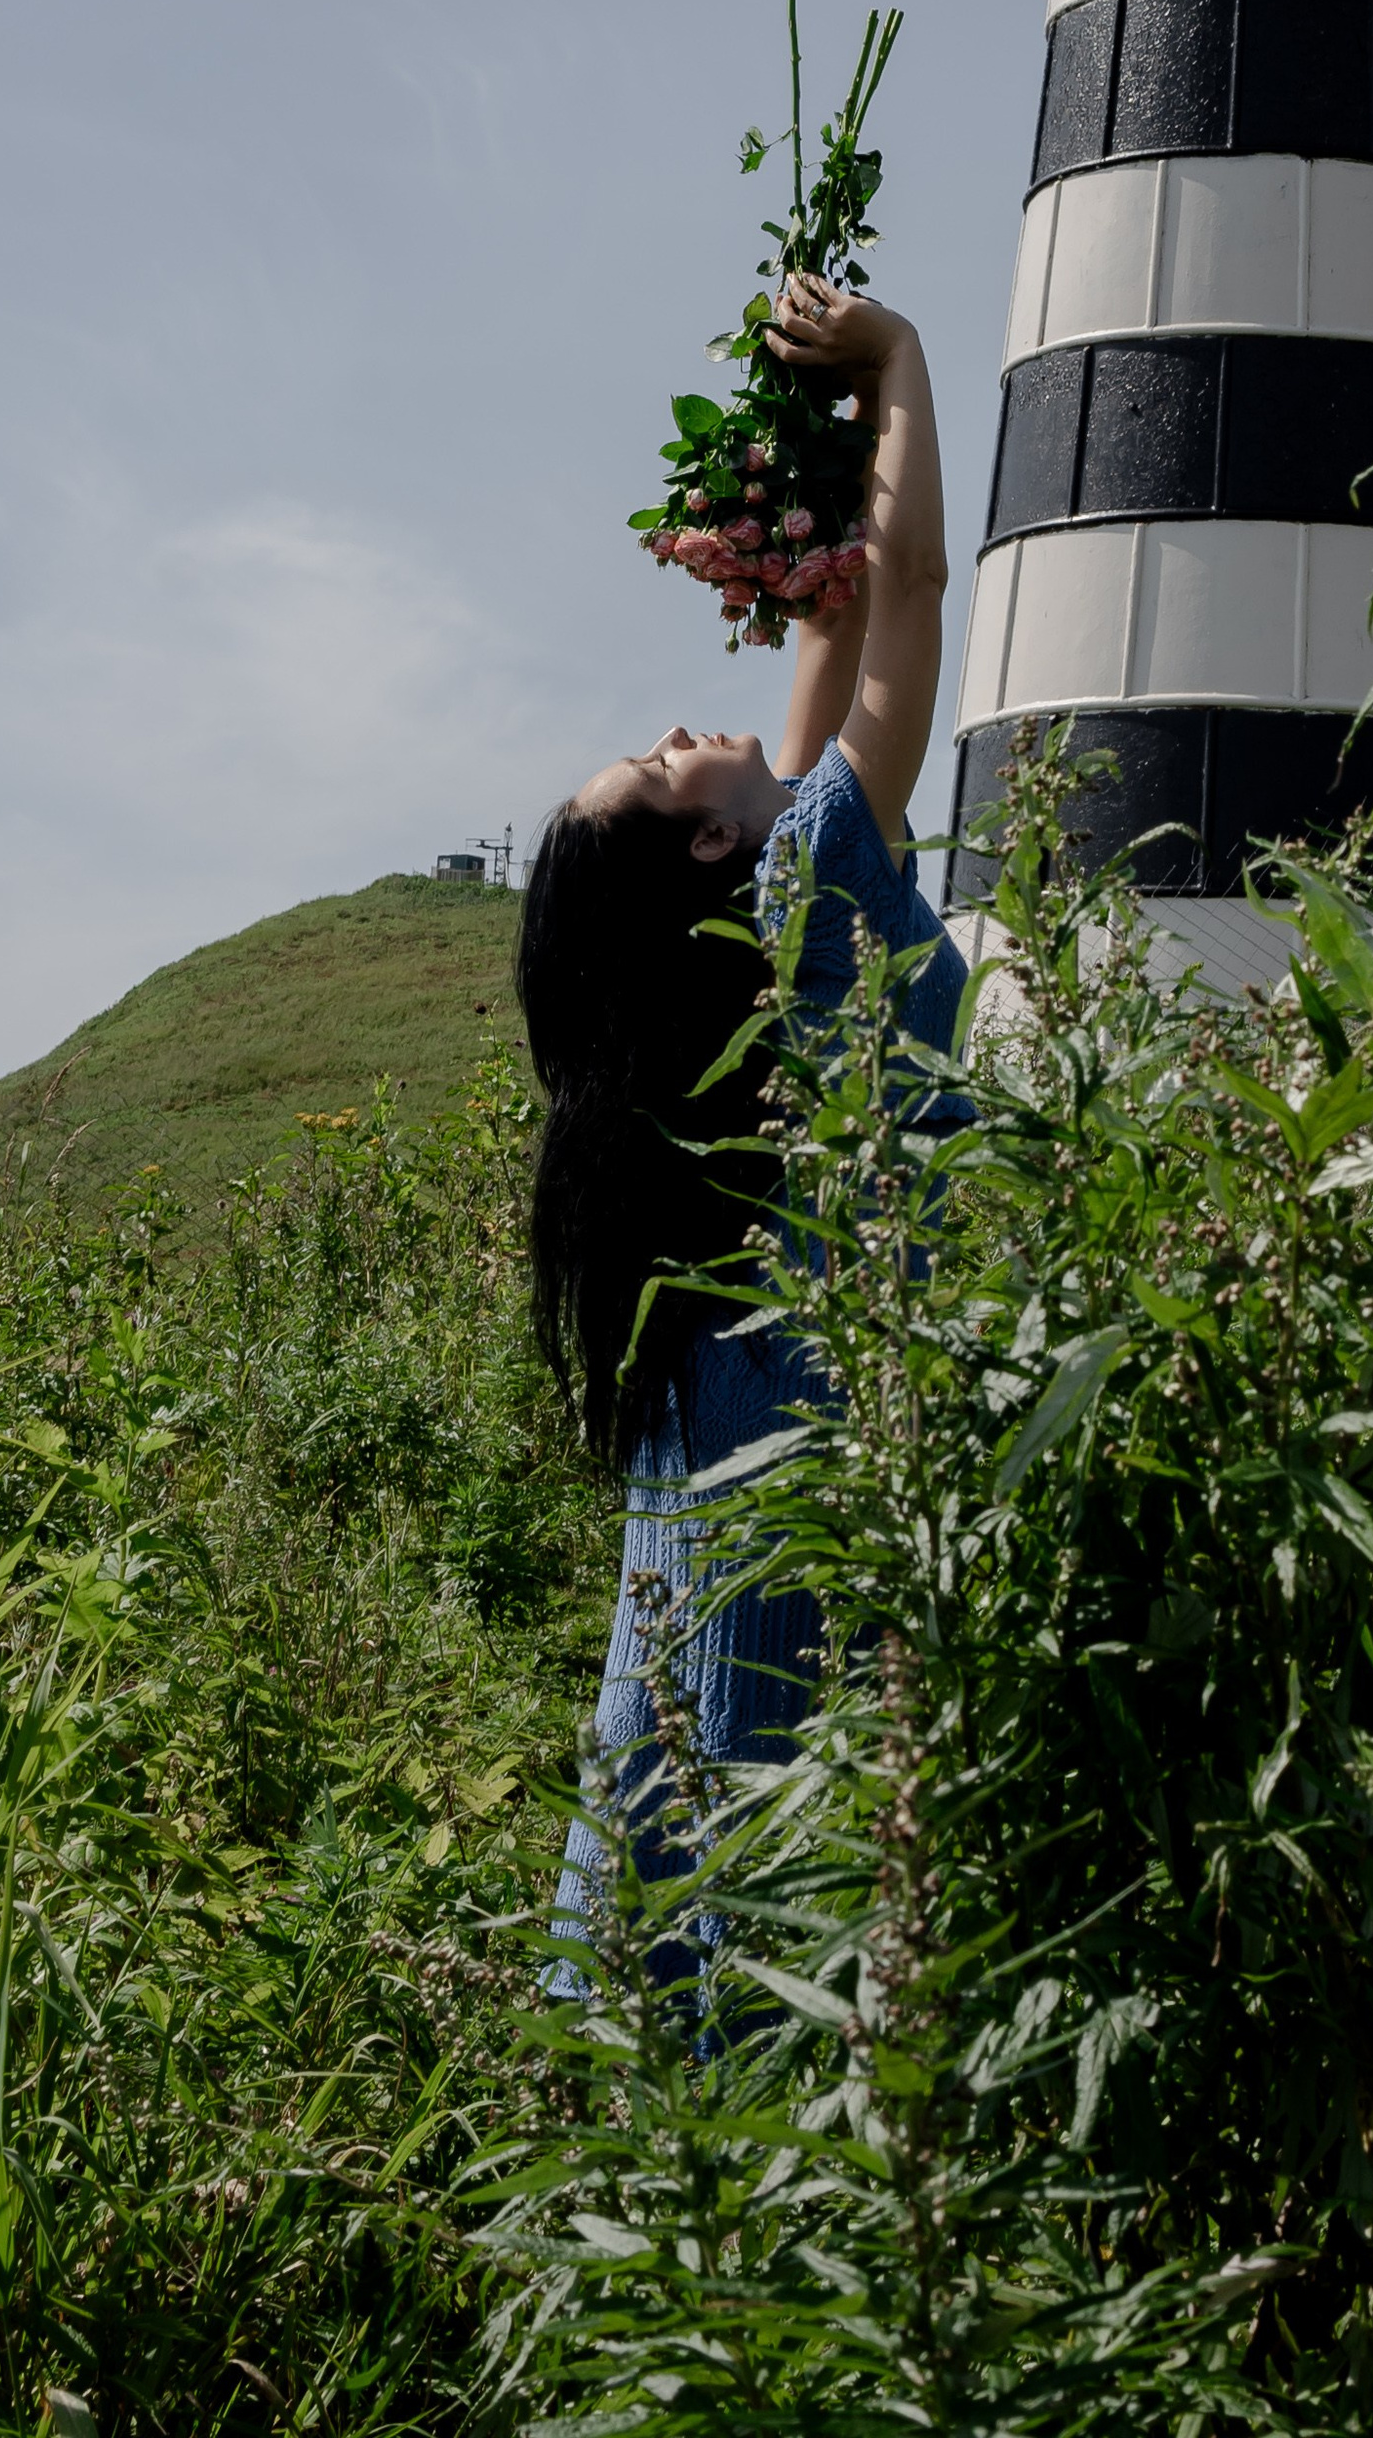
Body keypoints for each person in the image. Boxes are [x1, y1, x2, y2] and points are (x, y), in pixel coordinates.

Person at [517, 276, 966, 1948]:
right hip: (828, 1400)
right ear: (709, 848)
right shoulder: (801, 889)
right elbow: (904, 595)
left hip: (757, 1410)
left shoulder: (762, 933)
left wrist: (810, 463)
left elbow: (837, 622)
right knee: (803, 1798)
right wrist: (900, 360)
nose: (678, 726)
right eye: (657, 761)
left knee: (713, 1748)